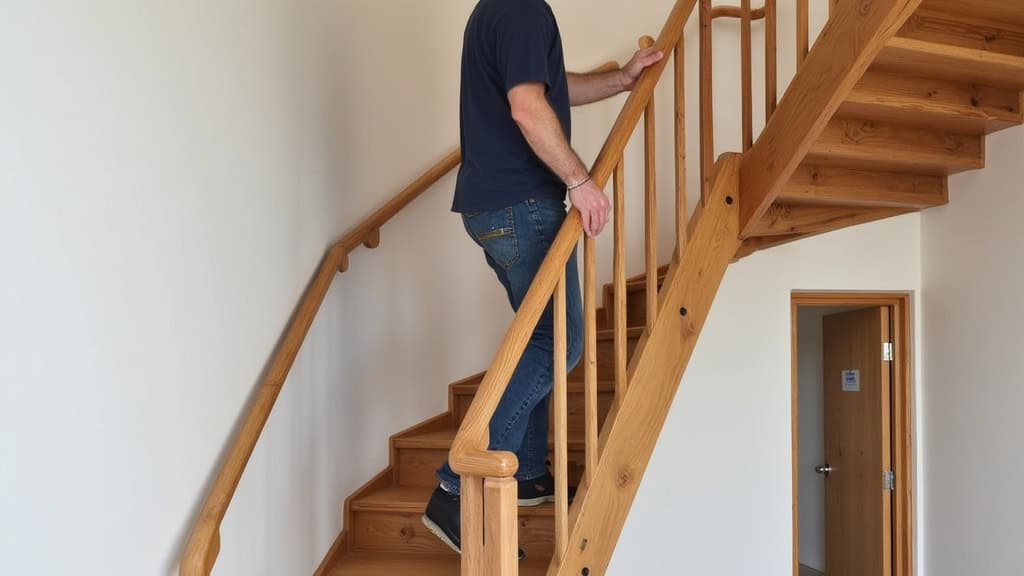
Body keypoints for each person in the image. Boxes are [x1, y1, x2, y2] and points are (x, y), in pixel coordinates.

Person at [422, 0, 663, 554]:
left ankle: (527, 469)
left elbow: (549, 89)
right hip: (520, 205)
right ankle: (455, 488)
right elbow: (528, 106)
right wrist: (580, 181)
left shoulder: (501, 11)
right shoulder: (523, 8)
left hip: (495, 208)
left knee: (536, 337)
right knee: (563, 341)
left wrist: (620, 81)